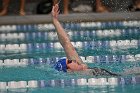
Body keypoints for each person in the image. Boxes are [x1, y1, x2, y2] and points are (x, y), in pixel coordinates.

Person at [52, 4, 119, 76]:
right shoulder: (81, 76)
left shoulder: (81, 67)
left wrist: (55, 20)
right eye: (70, 61)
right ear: (68, 70)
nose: (73, 60)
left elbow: (66, 42)